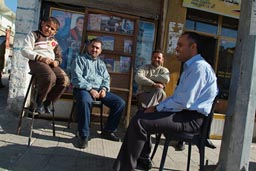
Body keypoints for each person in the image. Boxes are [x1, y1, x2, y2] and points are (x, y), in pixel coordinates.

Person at [113, 31, 218, 171]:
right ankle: (141, 160)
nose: (176, 48)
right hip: (183, 114)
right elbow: (176, 99)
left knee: (140, 123)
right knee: (140, 115)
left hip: (190, 119)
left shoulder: (200, 68)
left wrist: (156, 108)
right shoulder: (192, 67)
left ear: (193, 47)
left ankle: (125, 168)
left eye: (180, 45)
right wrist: (157, 107)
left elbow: (183, 102)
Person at [71, 38, 125, 149]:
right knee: (85, 101)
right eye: (93, 46)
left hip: (99, 90)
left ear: (100, 51)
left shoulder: (101, 63)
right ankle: (83, 136)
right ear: (88, 47)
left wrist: (104, 89)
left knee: (119, 103)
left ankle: (108, 131)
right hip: (83, 89)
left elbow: (106, 78)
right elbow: (76, 78)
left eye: (97, 48)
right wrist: (90, 89)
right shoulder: (79, 59)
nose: (94, 49)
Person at [21, 16, 70, 114]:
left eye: (52, 29)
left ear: (55, 32)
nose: (49, 29)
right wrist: (41, 58)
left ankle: (48, 103)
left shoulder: (53, 42)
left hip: (50, 64)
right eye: (48, 26)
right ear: (42, 23)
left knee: (65, 80)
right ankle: (39, 101)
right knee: (50, 77)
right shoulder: (34, 35)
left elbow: (59, 56)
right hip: (37, 62)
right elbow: (25, 50)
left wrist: (56, 62)